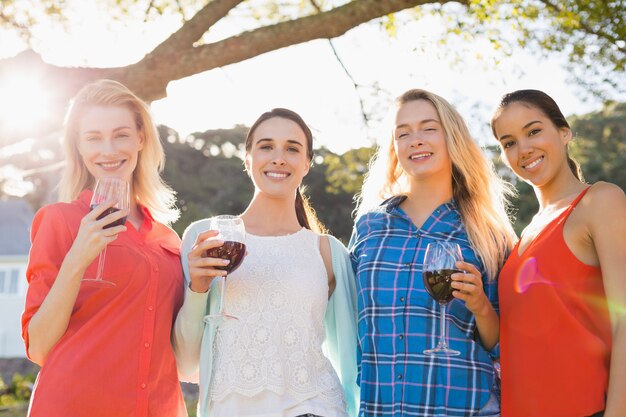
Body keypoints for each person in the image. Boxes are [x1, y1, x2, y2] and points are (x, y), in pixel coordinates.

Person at [172, 108, 359, 417]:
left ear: (307, 164)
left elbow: (353, 360)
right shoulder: (205, 238)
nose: (279, 157)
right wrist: (198, 288)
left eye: (292, 149)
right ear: (248, 159)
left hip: (315, 408)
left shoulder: (328, 252)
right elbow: (186, 362)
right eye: (266, 146)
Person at [21, 79, 187, 417]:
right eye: (93, 138)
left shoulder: (169, 240)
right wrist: (77, 259)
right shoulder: (60, 221)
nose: (108, 150)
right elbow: (38, 346)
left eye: (121, 134)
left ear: (141, 138)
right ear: (79, 147)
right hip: (74, 406)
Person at [350, 88, 517, 416]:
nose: (416, 140)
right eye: (403, 133)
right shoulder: (368, 228)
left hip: (464, 405)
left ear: (452, 138)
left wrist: (481, 305)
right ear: (395, 148)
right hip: (381, 406)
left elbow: (501, 343)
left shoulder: (487, 235)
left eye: (428, 128)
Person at [491, 89, 626, 417]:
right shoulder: (522, 237)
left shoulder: (600, 201)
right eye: (509, 142)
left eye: (534, 131)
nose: (524, 149)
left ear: (564, 132)